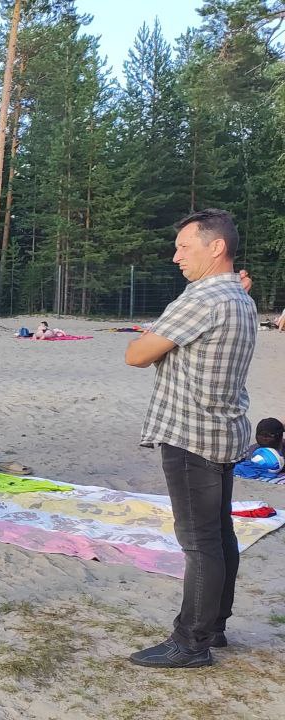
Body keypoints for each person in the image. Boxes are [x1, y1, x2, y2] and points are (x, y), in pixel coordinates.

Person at [124, 209, 257, 669]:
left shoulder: (203, 298)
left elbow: (136, 354)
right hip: (223, 429)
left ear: (215, 247)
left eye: (184, 246)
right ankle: (213, 625)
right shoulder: (239, 296)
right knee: (218, 533)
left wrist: (154, 332)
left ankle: (191, 642)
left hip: (190, 431)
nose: (175, 255)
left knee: (199, 541)